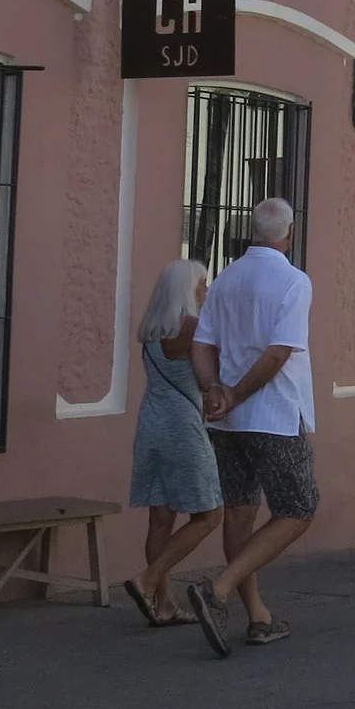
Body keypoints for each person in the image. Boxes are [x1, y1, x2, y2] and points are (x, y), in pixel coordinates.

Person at [184, 197, 316, 655]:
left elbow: (202, 345)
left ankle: (258, 614)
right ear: (290, 233)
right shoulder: (294, 282)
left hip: (228, 421)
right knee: (299, 507)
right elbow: (279, 353)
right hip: (274, 416)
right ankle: (217, 590)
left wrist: (212, 391)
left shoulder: (224, 280)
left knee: (240, 511)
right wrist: (235, 393)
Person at [120, 259, 221, 629]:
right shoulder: (193, 328)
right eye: (202, 286)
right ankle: (147, 579)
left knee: (160, 518)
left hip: (151, 423)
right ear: (186, 290)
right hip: (182, 425)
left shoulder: (152, 330)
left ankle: (164, 605)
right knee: (210, 515)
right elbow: (217, 367)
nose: (206, 291)